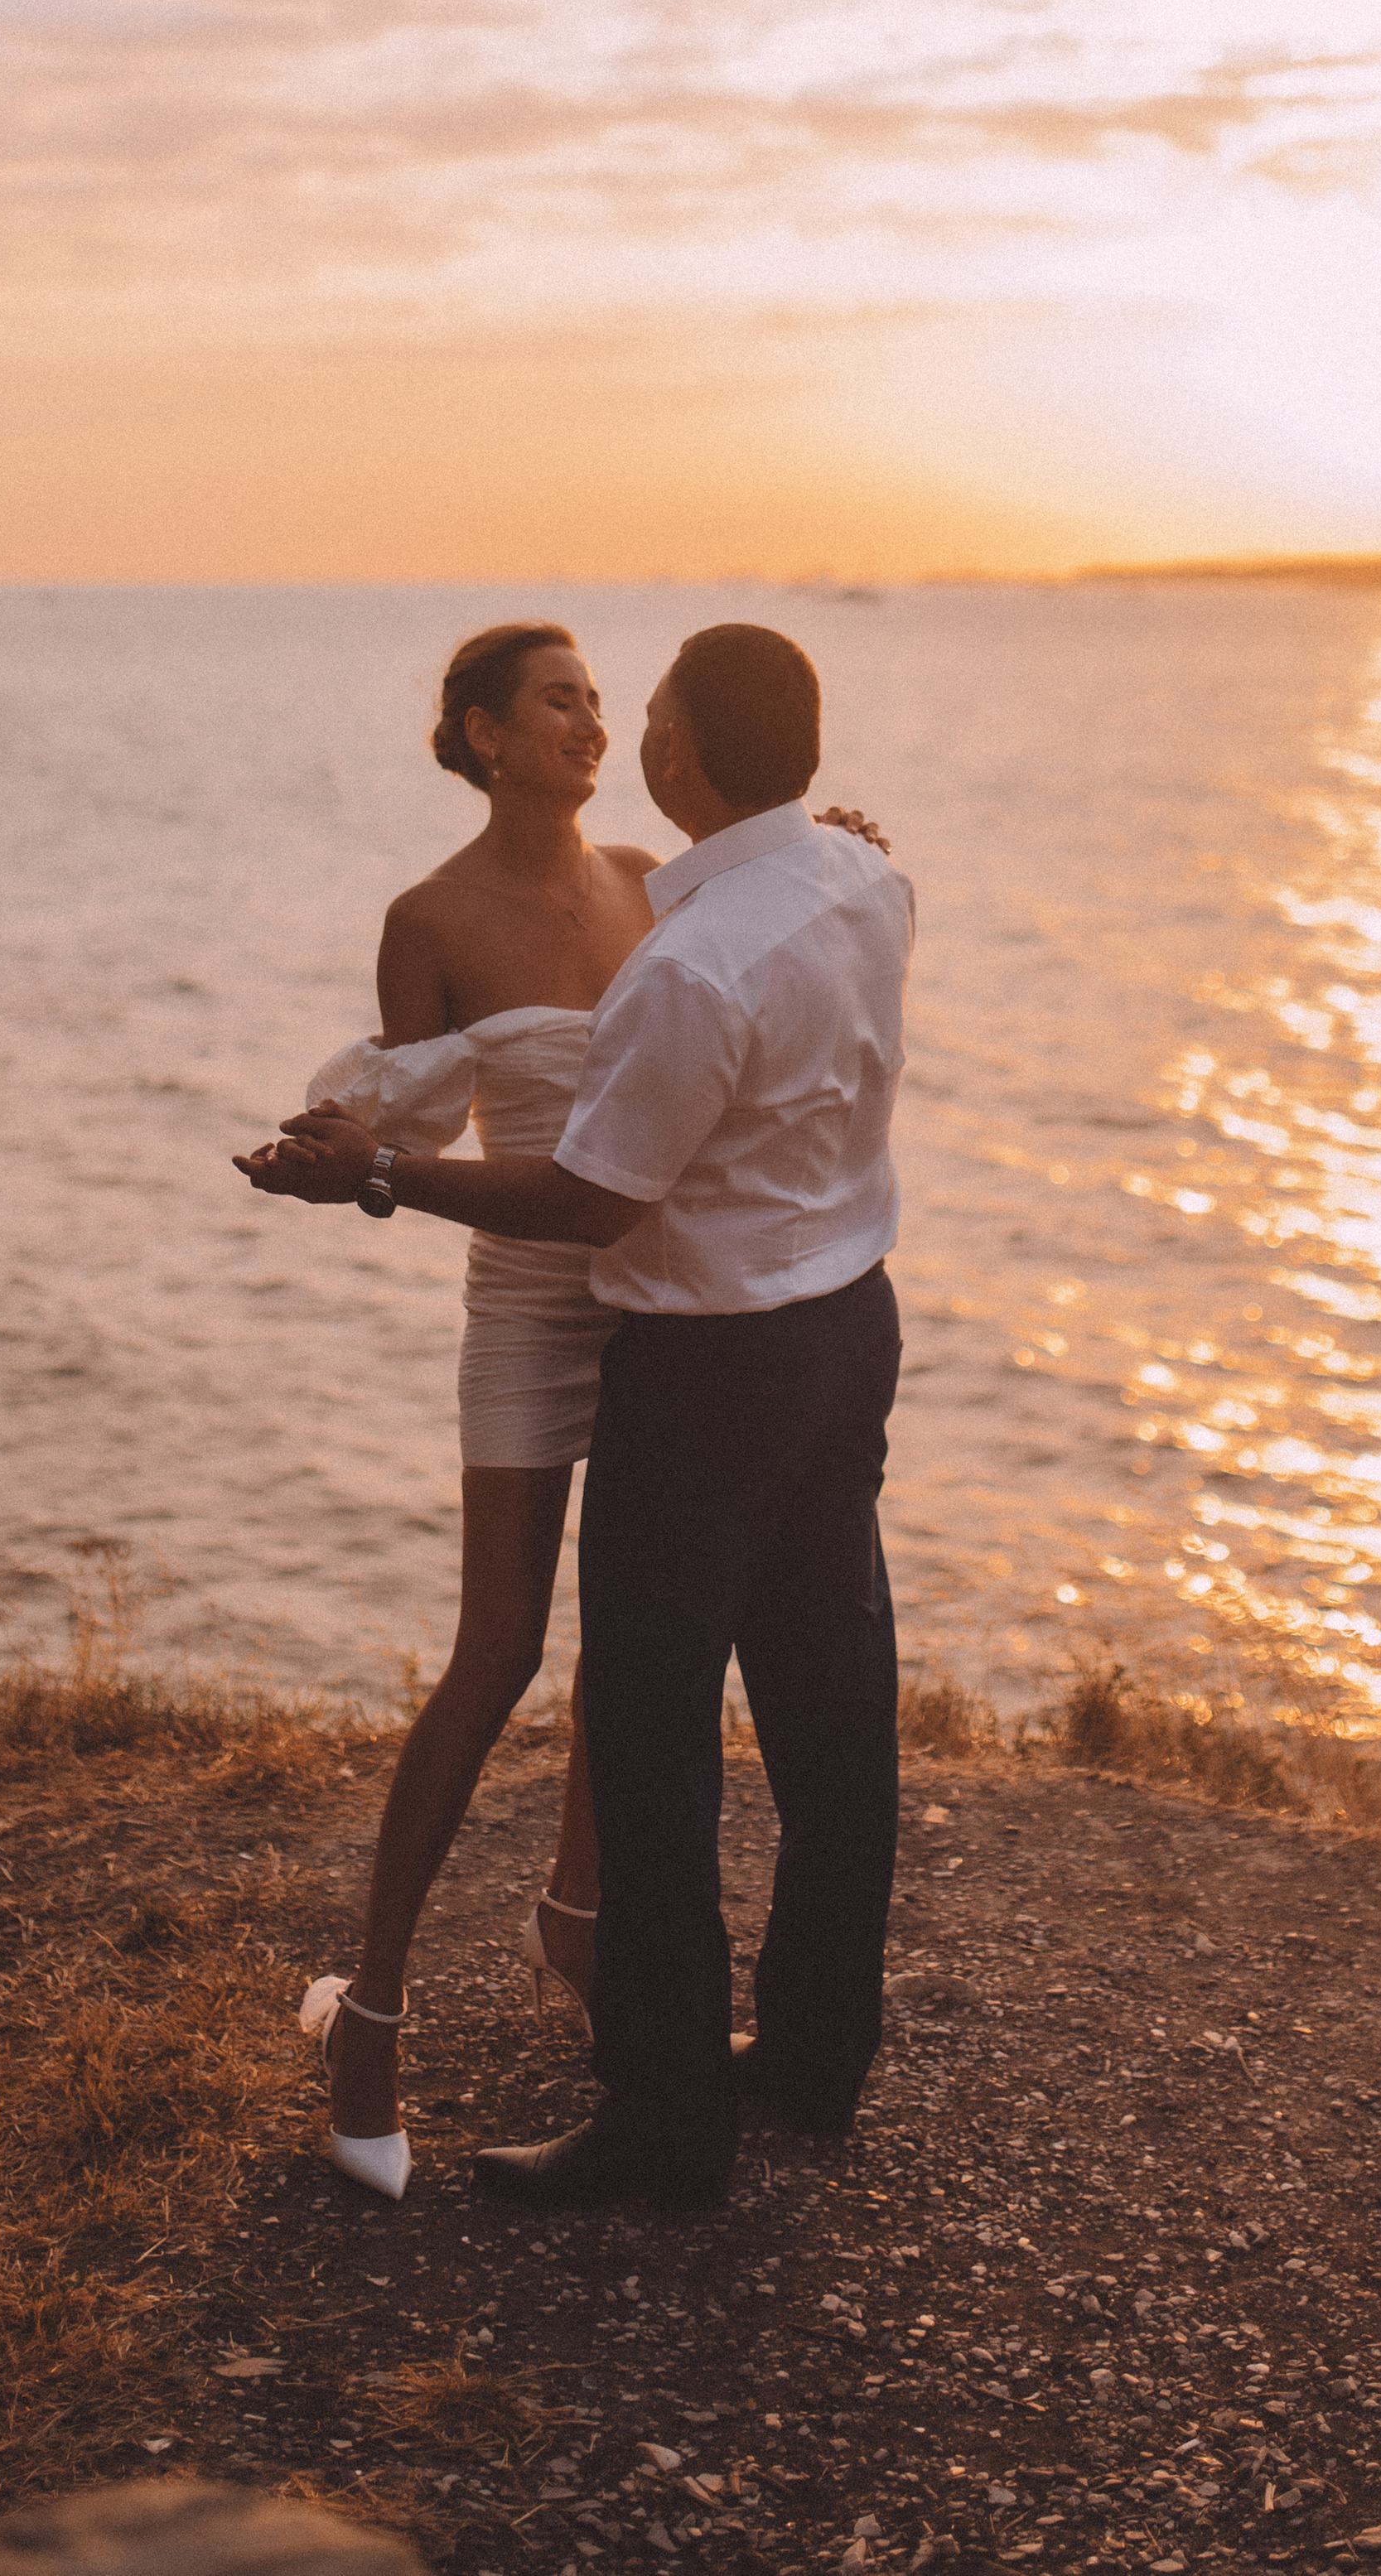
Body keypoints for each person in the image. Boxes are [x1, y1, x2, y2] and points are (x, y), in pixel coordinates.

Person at [244, 624, 913, 2212]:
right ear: (479, 733)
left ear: (686, 753)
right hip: (752, 1329)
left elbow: (603, 1193)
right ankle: (781, 2054)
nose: (611, 724)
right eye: (570, 699)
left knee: (649, 1724)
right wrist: (355, 1141)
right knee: (779, 1705)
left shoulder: (675, 927)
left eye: (631, 705)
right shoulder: (842, 884)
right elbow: (415, 1086)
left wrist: (386, 1181)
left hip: (677, 1332)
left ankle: (656, 2086)